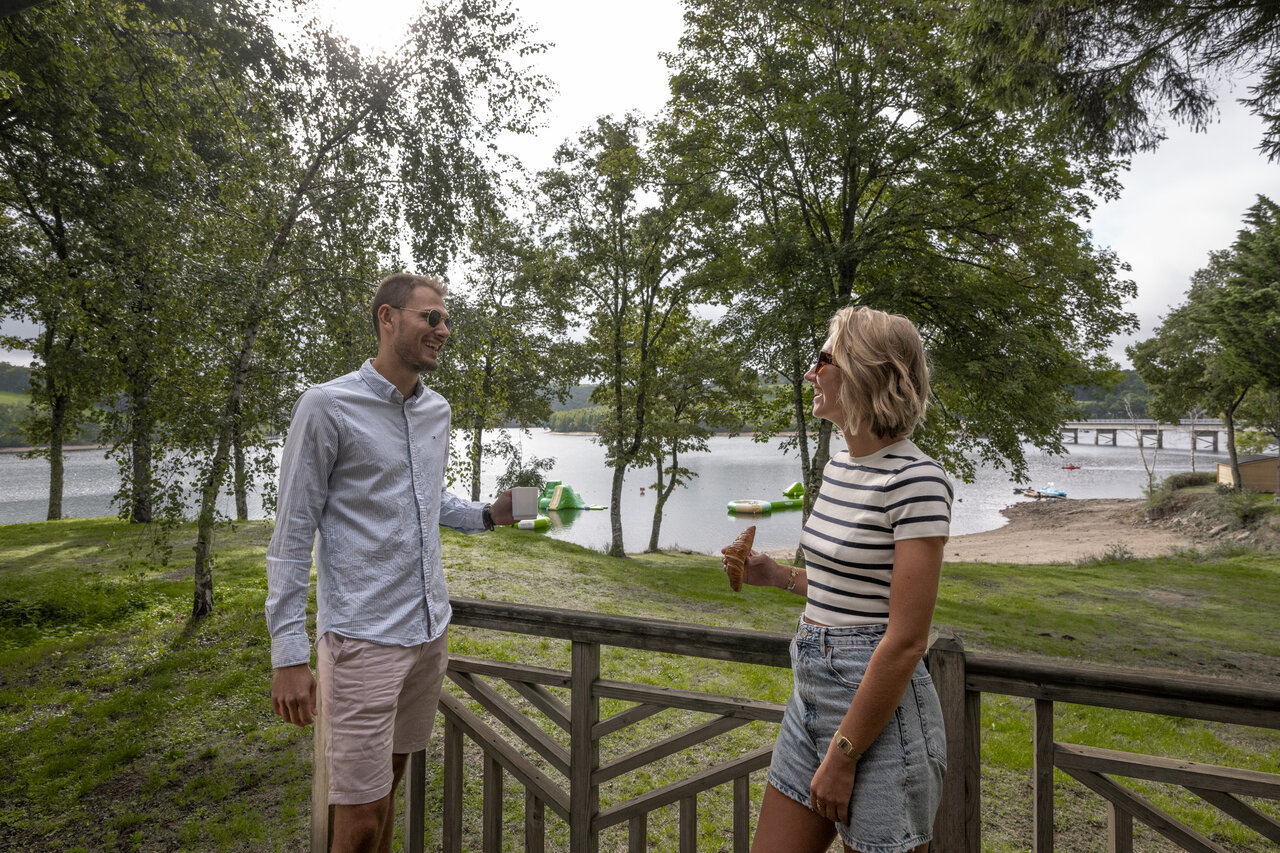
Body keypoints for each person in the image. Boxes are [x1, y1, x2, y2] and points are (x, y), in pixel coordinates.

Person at [265, 272, 517, 853]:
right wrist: (288, 654)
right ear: (387, 318)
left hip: (428, 633)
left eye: (447, 320)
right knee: (356, 821)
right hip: (362, 640)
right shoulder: (327, 406)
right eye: (431, 318)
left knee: (388, 794)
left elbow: (427, 500)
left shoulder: (435, 412)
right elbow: (292, 533)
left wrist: (487, 514)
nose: (443, 331)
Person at [727, 305, 952, 853]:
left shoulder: (917, 480)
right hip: (810, 694)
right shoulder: (839, 467)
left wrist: (844, 755)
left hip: (878, 711)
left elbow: (904, 639)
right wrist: (777, 576)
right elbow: (852, 587)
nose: (809, 373)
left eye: (823, 359)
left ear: (866, 370)